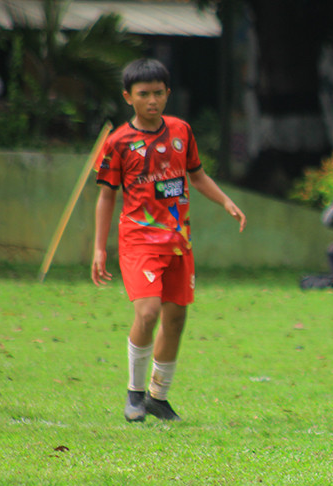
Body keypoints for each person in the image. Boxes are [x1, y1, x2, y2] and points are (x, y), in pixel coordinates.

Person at [91, 58, 246, 423]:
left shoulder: (181, 131)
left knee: (176, 319)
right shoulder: (118, 143)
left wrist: (225, 200)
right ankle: (134, 393)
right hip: (139, 240)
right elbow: (106, 196)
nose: (152, 101)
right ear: (128, 97)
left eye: (158, 93)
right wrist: (99, 248)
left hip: (178, 240)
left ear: (168, 93)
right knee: (147, 313)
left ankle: (158, 398)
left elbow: (197, 175)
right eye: (143, 94)